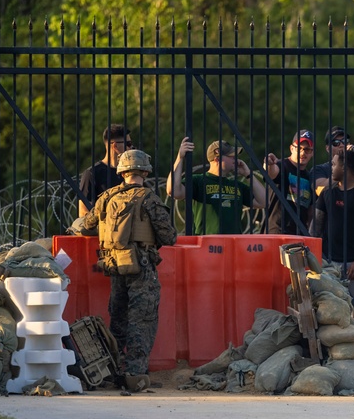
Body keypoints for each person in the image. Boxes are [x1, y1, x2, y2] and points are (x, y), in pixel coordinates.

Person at [77, 150, 177, 392]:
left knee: (118, 319)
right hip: (141, 266)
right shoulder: (149, 198)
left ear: (122, 172)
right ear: (144, 171)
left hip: (114, 265)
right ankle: (135, 374)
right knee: (142, 319)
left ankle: (112, 370)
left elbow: (86, 226)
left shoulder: (107, 197)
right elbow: (169, 236)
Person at [314, 148, 354, 326]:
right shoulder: (328, 193)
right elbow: (316, 228)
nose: (331, 168)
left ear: (345, 166)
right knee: (331, 310)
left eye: (334, 164)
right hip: (330, 262)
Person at [167, 137, 266, 234]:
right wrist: (180, 158)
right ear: (217, 158)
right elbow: (174, 191)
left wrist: (248, 174)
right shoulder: (198, 181)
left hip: (233, 244)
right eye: (231, 156)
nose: (235, 159)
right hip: (206, 244)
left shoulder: (236, 185)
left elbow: (264, 202)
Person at [263, 129, 316, 235]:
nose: (303, 152)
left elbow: (311, 212)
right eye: (299, 148)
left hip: (299, 235)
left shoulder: (310, 176)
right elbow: (271, 173)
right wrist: (269, 164)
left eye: (307, 150)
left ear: (312, 153)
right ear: (292, 148)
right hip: (277, 232)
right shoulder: (282, 165)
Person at [78, 124, 132, 217]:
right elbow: (83, 212)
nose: (131, 148)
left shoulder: (130, 172)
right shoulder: (92, 173)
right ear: (115, 146)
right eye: (128, 144)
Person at [312, 126, 354, 193]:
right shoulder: (319, 169)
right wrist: (340, 170)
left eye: (345, 141)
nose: (341, 145)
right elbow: (320, 190)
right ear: (328, 148)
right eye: (336, 142)